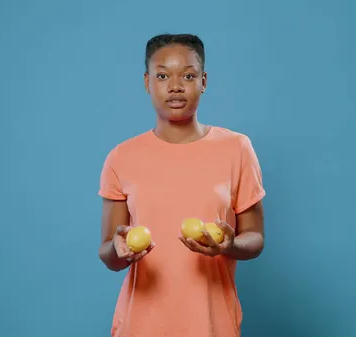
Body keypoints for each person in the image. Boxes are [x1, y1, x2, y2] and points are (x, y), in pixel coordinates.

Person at [98, 33, 266, 337]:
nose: (175, 86)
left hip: (213, 326)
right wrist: (118, 250)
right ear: (147, 82)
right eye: (162, 76)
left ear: (203, 81)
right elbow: (108, 254)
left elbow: (255, 238)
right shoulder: (121, 157)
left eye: (188, 76)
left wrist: (230, 246)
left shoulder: (237, 148)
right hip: (139, 326)